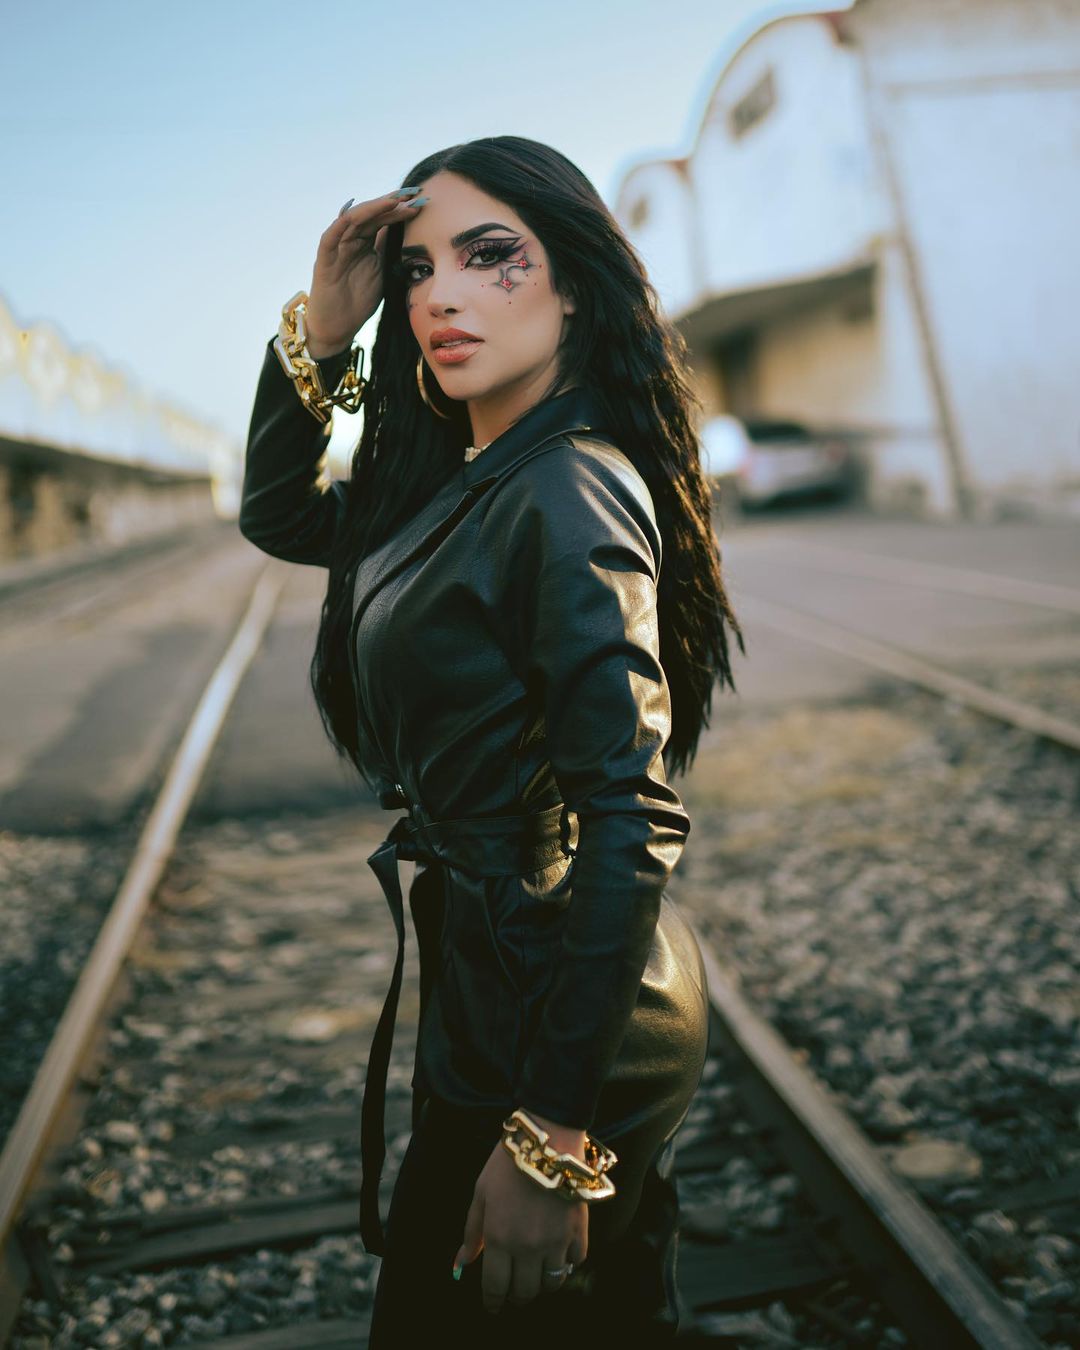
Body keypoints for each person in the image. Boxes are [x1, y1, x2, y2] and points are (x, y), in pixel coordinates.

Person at [239, 135, 745, 1346]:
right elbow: (277, 512)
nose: (440, 296)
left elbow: (631, 814)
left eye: (490, 257)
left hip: (557, 1008)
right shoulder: (464, 482)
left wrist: (554, 1135)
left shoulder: (566, 488)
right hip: (496, 969)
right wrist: (322, 334)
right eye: (417, 269)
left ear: (573, 285)